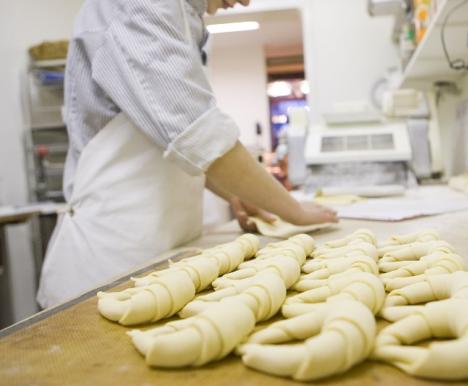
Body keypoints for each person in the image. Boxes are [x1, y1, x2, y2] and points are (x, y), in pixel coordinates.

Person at [37, 0, 337, 308]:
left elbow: (163, 139)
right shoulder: (142, 5)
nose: (246, 2)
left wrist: (236, 192)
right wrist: (293, 211)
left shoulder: (185, 16)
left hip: (164, 258)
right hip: (108, 266)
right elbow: (197, 132)